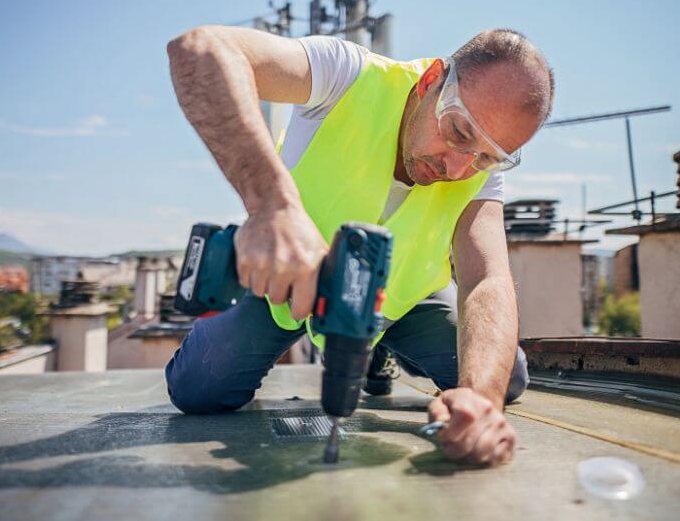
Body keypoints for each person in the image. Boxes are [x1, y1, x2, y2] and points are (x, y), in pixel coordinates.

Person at [165, 26, 554, 467]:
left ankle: (378, 349)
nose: (457, 167)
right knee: (199, 389)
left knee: (507, 378)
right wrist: (271, 205)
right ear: (431, 82)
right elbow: (199, 50)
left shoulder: (478, 169)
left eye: (487, 157)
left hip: (399, 299)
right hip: (290, 286)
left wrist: (479, 400)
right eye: (459, 132)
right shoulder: (346, 75)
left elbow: (487, 278)